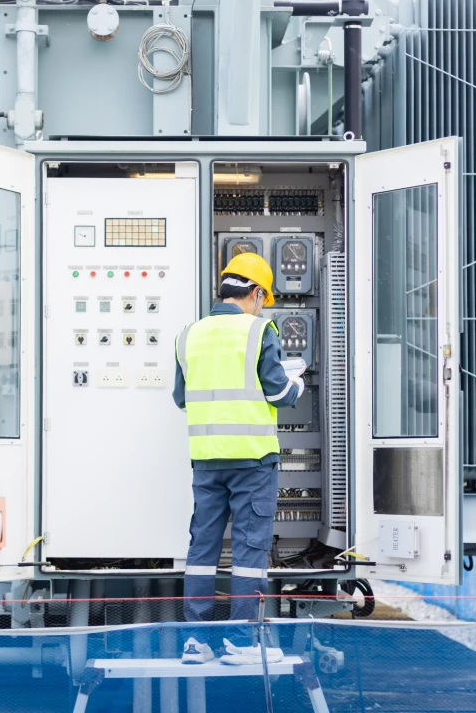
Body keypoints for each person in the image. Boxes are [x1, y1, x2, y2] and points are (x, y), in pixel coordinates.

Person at [172, 253, 305, 665]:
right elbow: (280, 394)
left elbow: (181, 398)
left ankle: (195, 641)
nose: (262, 306)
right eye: (263, 298)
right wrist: (296, 381)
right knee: (248, 549)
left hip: (207, 460)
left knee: (203, 547)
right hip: (252, 461)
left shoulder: (189, 334)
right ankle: (245, 642)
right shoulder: (258, 330)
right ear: (255, 292)